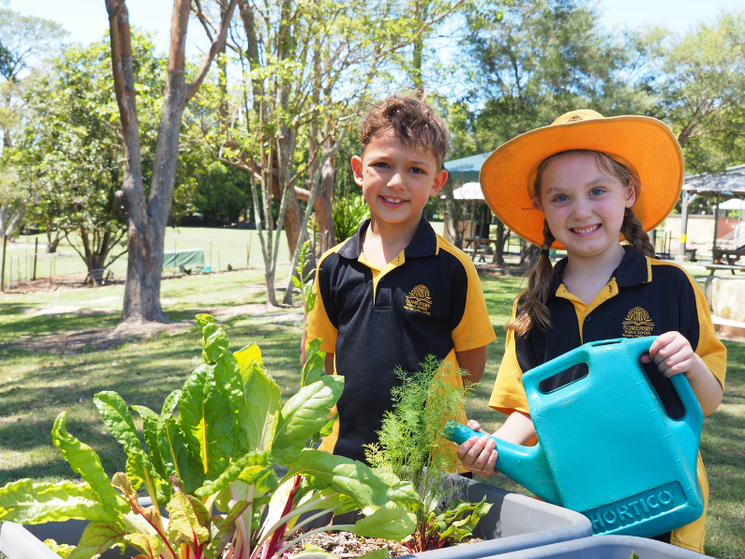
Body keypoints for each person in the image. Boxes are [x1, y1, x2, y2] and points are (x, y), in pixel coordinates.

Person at [456, 109, 726, 553]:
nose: (581, 210)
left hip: (665, 500)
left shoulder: (670, 286)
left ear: (628, 193)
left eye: (597, 191)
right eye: (560, 197)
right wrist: (489, 449)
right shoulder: (534, 306)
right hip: (575, 507)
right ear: (542, 207)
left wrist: (690, 362)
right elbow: (527, 413)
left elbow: (709, 400)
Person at [307, 95, 496, 464]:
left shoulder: (453, 267)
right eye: (383, 165)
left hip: (432, 460)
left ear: (437, 181)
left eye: (416, 170)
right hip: (344, 458)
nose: (396, 182)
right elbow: (321, 358)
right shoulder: (332, 266)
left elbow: (471, 366)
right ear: (359, 170)